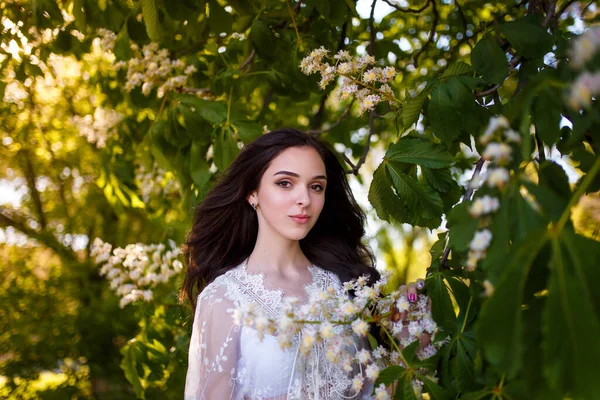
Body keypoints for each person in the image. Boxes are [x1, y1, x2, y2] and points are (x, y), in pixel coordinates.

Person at [181, 128, 420, 399]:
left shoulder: (345, 286)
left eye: (316, 186)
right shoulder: (224, 298)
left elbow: (377, 394)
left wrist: (413, 339)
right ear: (252, 193)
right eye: (285, 183)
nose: (304, 200)